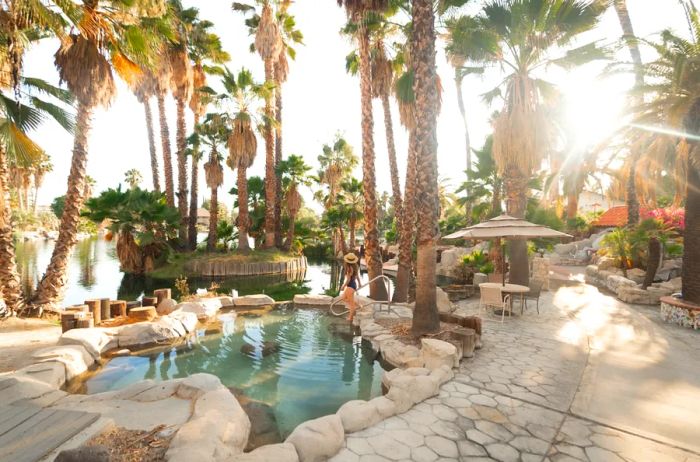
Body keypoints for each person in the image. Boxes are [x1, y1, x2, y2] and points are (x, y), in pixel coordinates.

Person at [340, 252, 360, 322]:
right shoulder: (355, 267)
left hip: (350, 286)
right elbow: (357, 276)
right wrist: (360, 283)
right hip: (353, 285)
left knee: (351, 305)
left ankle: (350, 318)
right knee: (343, 298)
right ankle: (358, 305)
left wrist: (343, 286)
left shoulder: (349, 268)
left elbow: (348, 279)